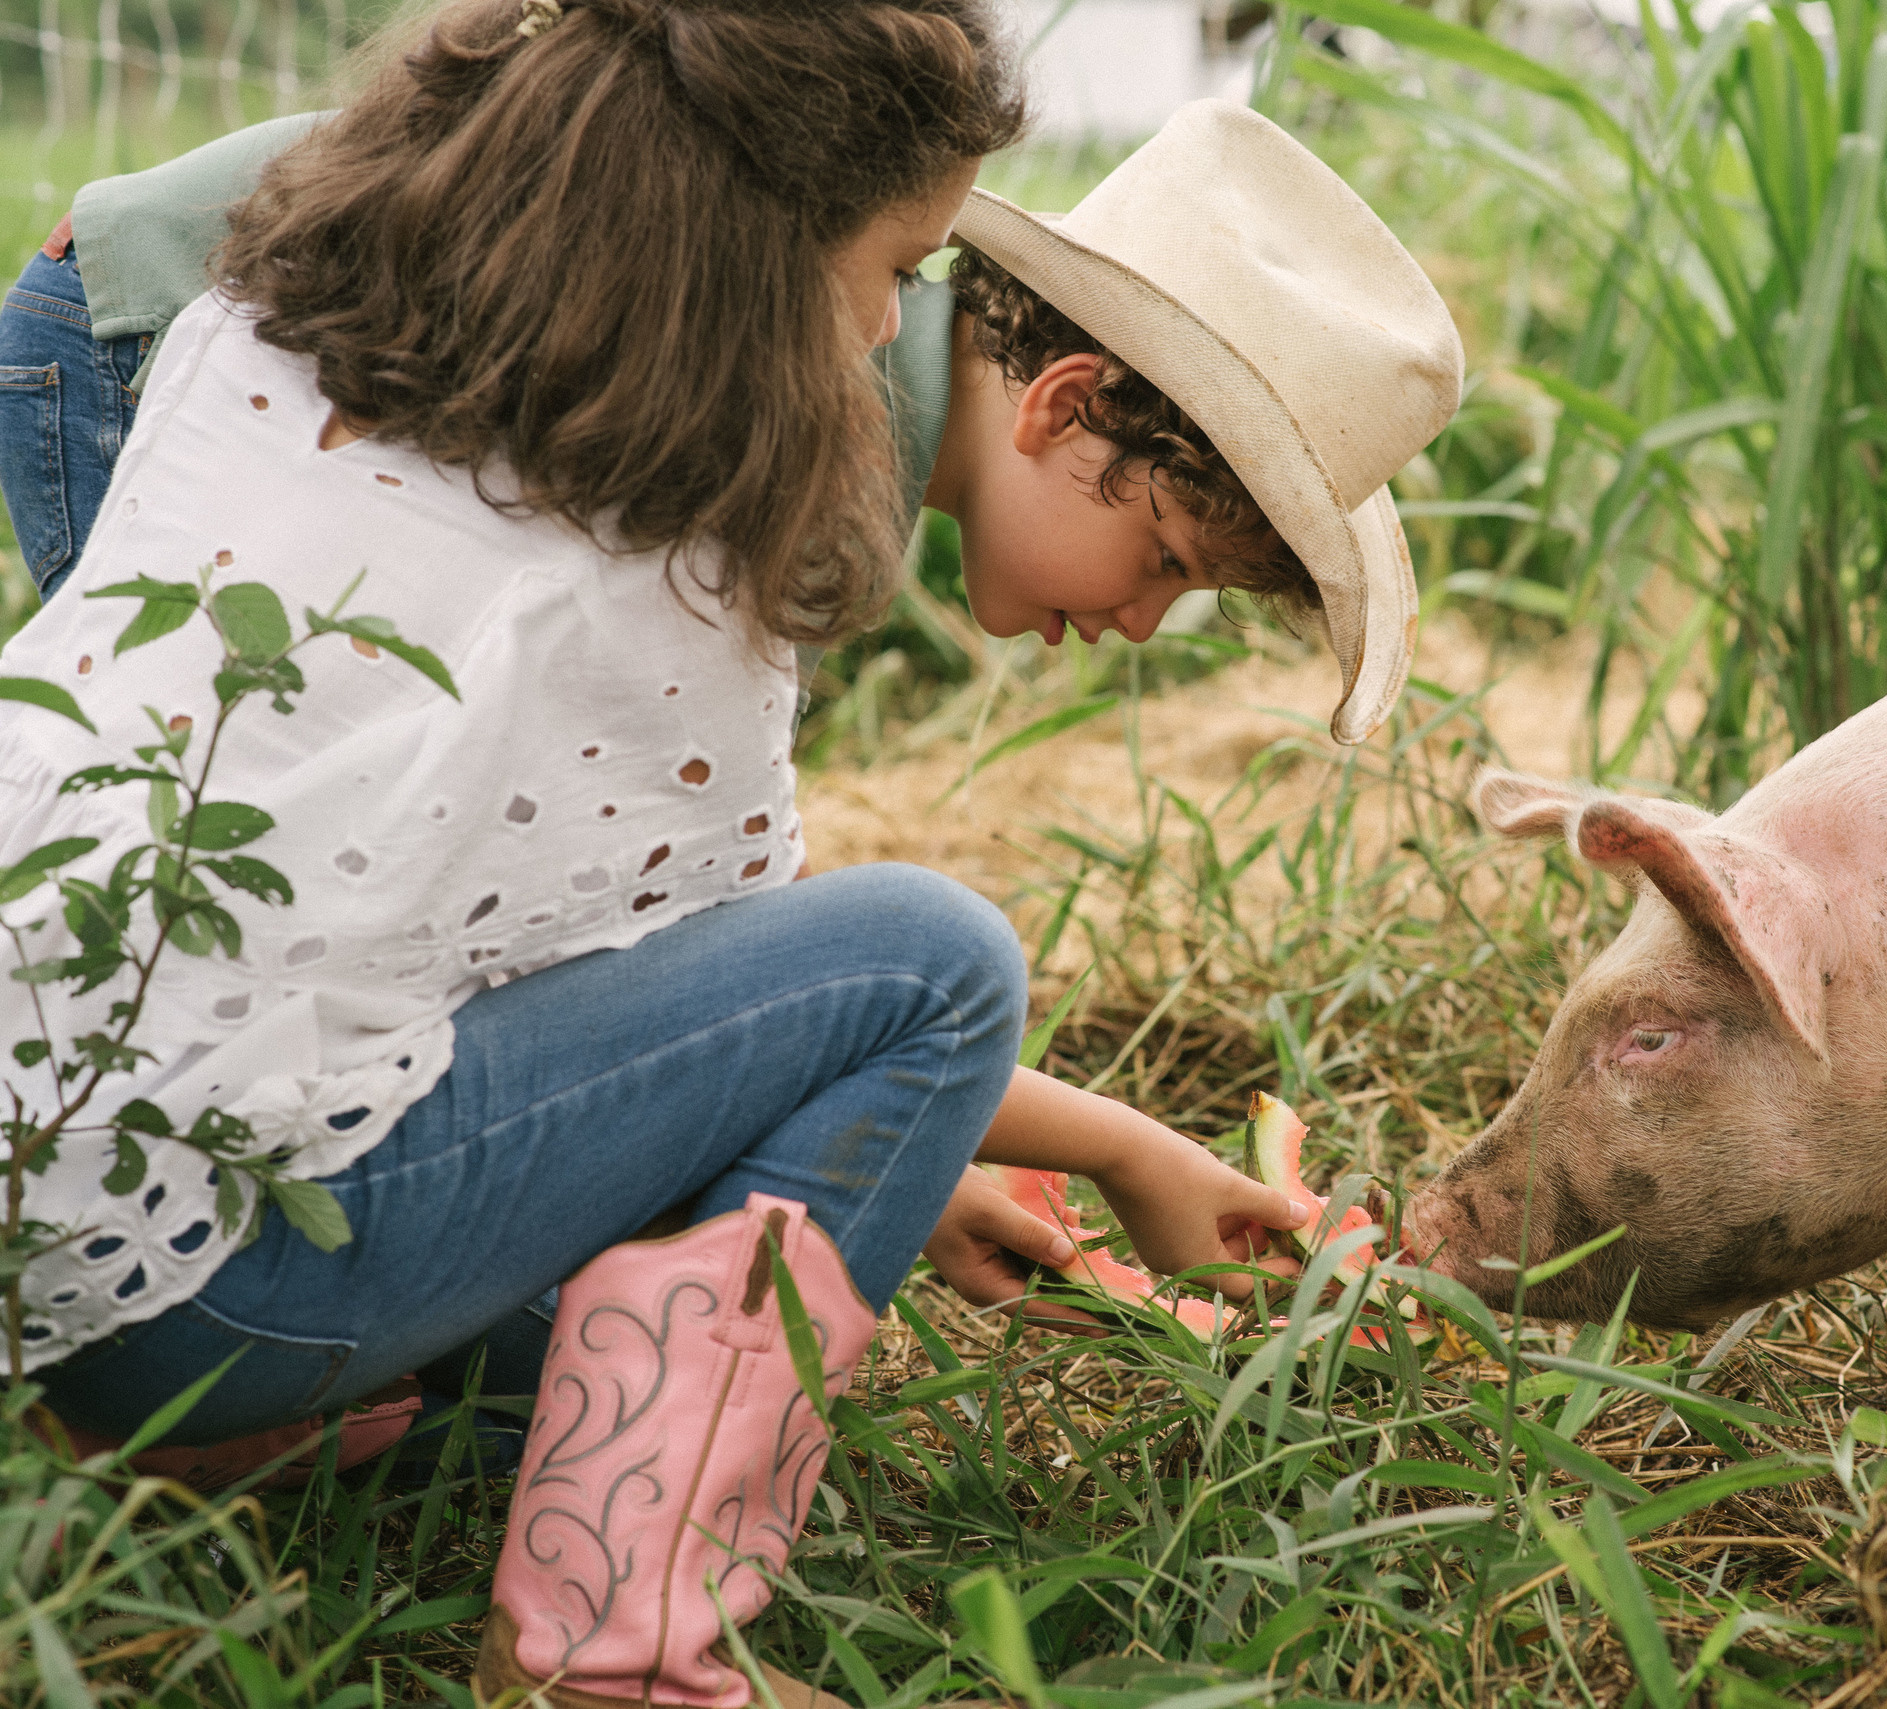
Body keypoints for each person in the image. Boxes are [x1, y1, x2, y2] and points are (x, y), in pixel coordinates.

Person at [0, 0, 1463, 1698]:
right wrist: (1090, 1146)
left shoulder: (361, 321)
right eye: (1164, 562)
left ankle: (237, 1417)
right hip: (197, 1264)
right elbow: (719, 979)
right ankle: (610, 1646)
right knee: (917, 957)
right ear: (1063, 401)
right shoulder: (721, 459)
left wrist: (913, 1159)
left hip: (60, 1179)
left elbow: (606, 945)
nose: (1138, 625)